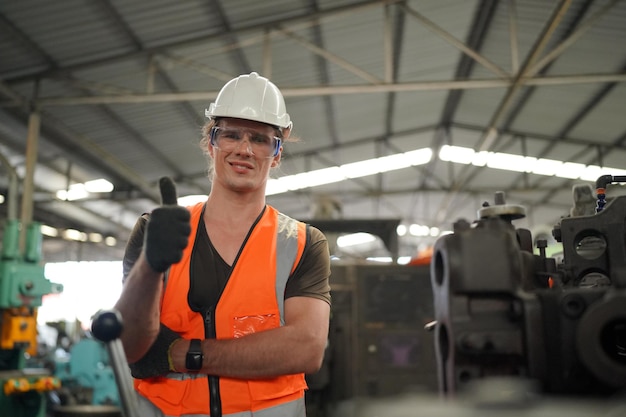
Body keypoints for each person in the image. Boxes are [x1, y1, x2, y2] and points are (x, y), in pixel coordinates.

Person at [114, 72, 332, 417]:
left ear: (276, 154)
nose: (244, 149)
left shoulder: (303, 243)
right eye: (230, 134)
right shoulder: (156, 230)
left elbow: (306, 349)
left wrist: (182, 354)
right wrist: (150, 267)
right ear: (210, 142)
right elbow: (130, 346)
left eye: (260, 139)